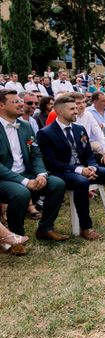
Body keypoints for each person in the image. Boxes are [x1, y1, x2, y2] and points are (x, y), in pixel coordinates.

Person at [37, 95, 105, 240]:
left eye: (76, 108)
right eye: (72, 109)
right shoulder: (46, 133)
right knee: (81, 182)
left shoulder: (79, 129)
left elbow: (89, 154)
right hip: (62, 172)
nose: (76, 111)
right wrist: (80, 170)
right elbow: (51, 162)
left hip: (84, 168)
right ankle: (86, 227)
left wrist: (92, 167)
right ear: (58, 111)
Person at [0, 90, 69, 251]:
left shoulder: (25, 126)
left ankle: (45, 228)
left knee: (57, 183)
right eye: (15, 102)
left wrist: (41, 174)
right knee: (21, 192)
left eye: (20, 101)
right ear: (2, 106)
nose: (21, 104)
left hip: (28, 173)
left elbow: (35, 153)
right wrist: (25, 182)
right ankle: (15, 237)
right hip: (4, 177)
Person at [72, 93, 105, 166]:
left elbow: (98, 133)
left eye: (84, 102)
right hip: (75, 150)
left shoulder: (88, 115)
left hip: (88, 145)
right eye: (78, 103)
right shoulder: (70, 117)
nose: (82, 105)